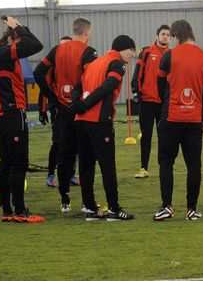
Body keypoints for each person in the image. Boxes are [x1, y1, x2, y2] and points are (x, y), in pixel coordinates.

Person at [153, 20, 203, 221]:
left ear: (176, 36)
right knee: (194, 165)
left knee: (166, 162)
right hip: (194, 121)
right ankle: (191, 210)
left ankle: (167, 207)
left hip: (170, 118)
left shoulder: (169, 57)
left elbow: (159, 86)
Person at [33, 17, 97, 213]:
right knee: (85, 155)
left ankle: (65, 199)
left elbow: (38, 72)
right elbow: (93, 79)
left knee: (64, 154)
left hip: (61, 109)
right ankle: (87, 202)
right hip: (80, 110)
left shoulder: (57, 50)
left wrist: (51, 96)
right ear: (87, 32)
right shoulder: (88, 52)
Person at [74, 35, 137, 221]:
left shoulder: (95, 62)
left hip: (81, 121)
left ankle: (90, 208)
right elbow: (108, 87)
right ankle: (114, 209)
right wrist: (85, 104)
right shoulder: (117, 63)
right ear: (122, 49)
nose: (132, 55)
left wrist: (77, 103)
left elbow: (78, 84)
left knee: (86, 166)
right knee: (108, 165)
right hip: (99, 120)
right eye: (131, 50)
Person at [0, 16, 44, 222]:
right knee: (18, 163)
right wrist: (19, 27)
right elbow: (35, 45)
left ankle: (7, 210)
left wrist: (20, 29)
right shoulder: (4, 52)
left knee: (6, 163)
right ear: (13, 39)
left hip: (4, 114)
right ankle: (20, 211)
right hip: (13, 113)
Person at [36, 36, 78, 188]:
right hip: (58, 109)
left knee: (75, 142)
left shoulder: (76, 66)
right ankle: (51, 174)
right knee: (58, 142)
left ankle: (72, 173)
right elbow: (43, 89)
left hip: (74, 109)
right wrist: (43, 110)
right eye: (62, 46)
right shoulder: (51, 68)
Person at [131, 24, 170, 178]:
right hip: (147, 101)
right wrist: (137, 92)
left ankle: (163, 168)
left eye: (168, 35)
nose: (165, 37)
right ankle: (143, 168)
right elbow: (137, 74)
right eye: (163, 34)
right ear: (157, 35)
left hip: (164, 103)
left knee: (164, 136)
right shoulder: (146, 52)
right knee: (146, 135)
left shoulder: (172, 54)